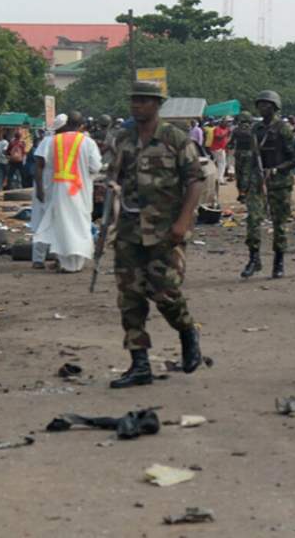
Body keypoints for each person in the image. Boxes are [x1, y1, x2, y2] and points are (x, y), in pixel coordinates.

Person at [107, 81, 204, 389]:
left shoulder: (175, 139)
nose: (136, 106)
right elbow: (113, 179)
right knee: (130, 298)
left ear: (156, 104)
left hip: (165, 230)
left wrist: (183, 222)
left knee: (166, 293)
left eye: (143, 101)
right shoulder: (122, 139)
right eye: (133, 100)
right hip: (129, 231)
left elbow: (195, 181)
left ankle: (187, 332)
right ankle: (139, 363)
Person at [33, 111, 101, 273]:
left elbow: (42, 164)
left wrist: (41, 189)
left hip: (59, 190)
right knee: (79, 223)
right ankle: (76, 263)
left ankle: (64, 262)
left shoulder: (52, 141)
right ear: (82, 125)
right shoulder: (88, 142)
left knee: (62, 224)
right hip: (80, 189)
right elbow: (95, 167)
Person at [241, 90, 295, 279]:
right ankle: (253, 258)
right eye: (260, 104)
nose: (262, 107)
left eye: (266, 104)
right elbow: (249, 159)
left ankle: (278, 261)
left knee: (279, 224)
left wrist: (276, 169)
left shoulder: (283, 129)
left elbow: (294, 159)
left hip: (279, 183)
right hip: (258, 182)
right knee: (253, 221)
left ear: (274, 107)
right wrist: (245, 183)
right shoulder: (255, 130)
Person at [31, 114, 66, 269]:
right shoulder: (48, 142)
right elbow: (38, 166)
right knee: (42, 223)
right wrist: (39, 189)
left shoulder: (65, 142)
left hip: (59, 187)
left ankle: (59, 258)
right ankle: (38, 259)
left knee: (60, 223)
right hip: (45, 187)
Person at [231, 112, 253, 203]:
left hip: (238, 153)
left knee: (239, 173)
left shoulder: (236, 130)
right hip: (249, 153)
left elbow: (231, 143)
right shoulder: (252, 130)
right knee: (246, 174)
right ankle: (245, 193)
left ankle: (241, 193)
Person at [211, 118, 231, 184]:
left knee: (219, 163)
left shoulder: (226, 129)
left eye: (227, 123)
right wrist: (226, 133)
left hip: (222, 148)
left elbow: (227, 138)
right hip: (217, 148)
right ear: (221, 123)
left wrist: (228, 133)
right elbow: (217, 137)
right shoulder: (217, 129)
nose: (226, 124)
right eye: (225, 123)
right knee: (222, 164)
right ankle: (220, 179)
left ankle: (217, 177)